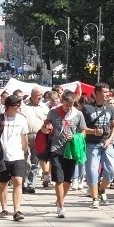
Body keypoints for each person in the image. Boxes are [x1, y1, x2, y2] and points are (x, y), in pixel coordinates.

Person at [0, 95, 29, 221]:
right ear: (9, 107)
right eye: (16, 106)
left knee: (18, 182)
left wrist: (25, 152)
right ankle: (4, 208)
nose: (19, 108)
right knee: (3, 183)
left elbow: (24, 137)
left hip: (18, 155)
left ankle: (17, 210)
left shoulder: (21, 119)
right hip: (1, 156)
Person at [45, 90, 86, 218]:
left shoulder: (78, 114)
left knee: (68, 180)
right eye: (67, 104)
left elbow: (83, 132)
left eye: (71, 104)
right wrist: (47, 126)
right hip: (56, 149)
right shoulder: (53, 112)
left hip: (70, 150)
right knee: (59, 179)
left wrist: (74, 137)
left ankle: (60, 199)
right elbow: (46, 125)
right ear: (62, 101)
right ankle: (61, 206)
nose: (69, 107)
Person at [82, 83, 114, 209]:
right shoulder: (86, 108)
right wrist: (93, 131)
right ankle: (95, 198)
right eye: (105, 92)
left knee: (112, 170)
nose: (108, 94)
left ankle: (102, 189)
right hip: (91, 144)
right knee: (92, 172)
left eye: (108, 92)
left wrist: (109, 140)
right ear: (97, 93)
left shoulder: (110, 108)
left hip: (106, 144)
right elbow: (81, 128)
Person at [20, 86, 49, 194]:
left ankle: (31, 185)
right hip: (27, 135)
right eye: (38, 95)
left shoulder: (44, 107)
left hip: (40, 136)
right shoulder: (24, 106)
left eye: (41, 95)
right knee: (25, 162)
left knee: (35, 162)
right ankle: (23, 183)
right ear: (32, 95)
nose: (41, 97)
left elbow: (48, 120)